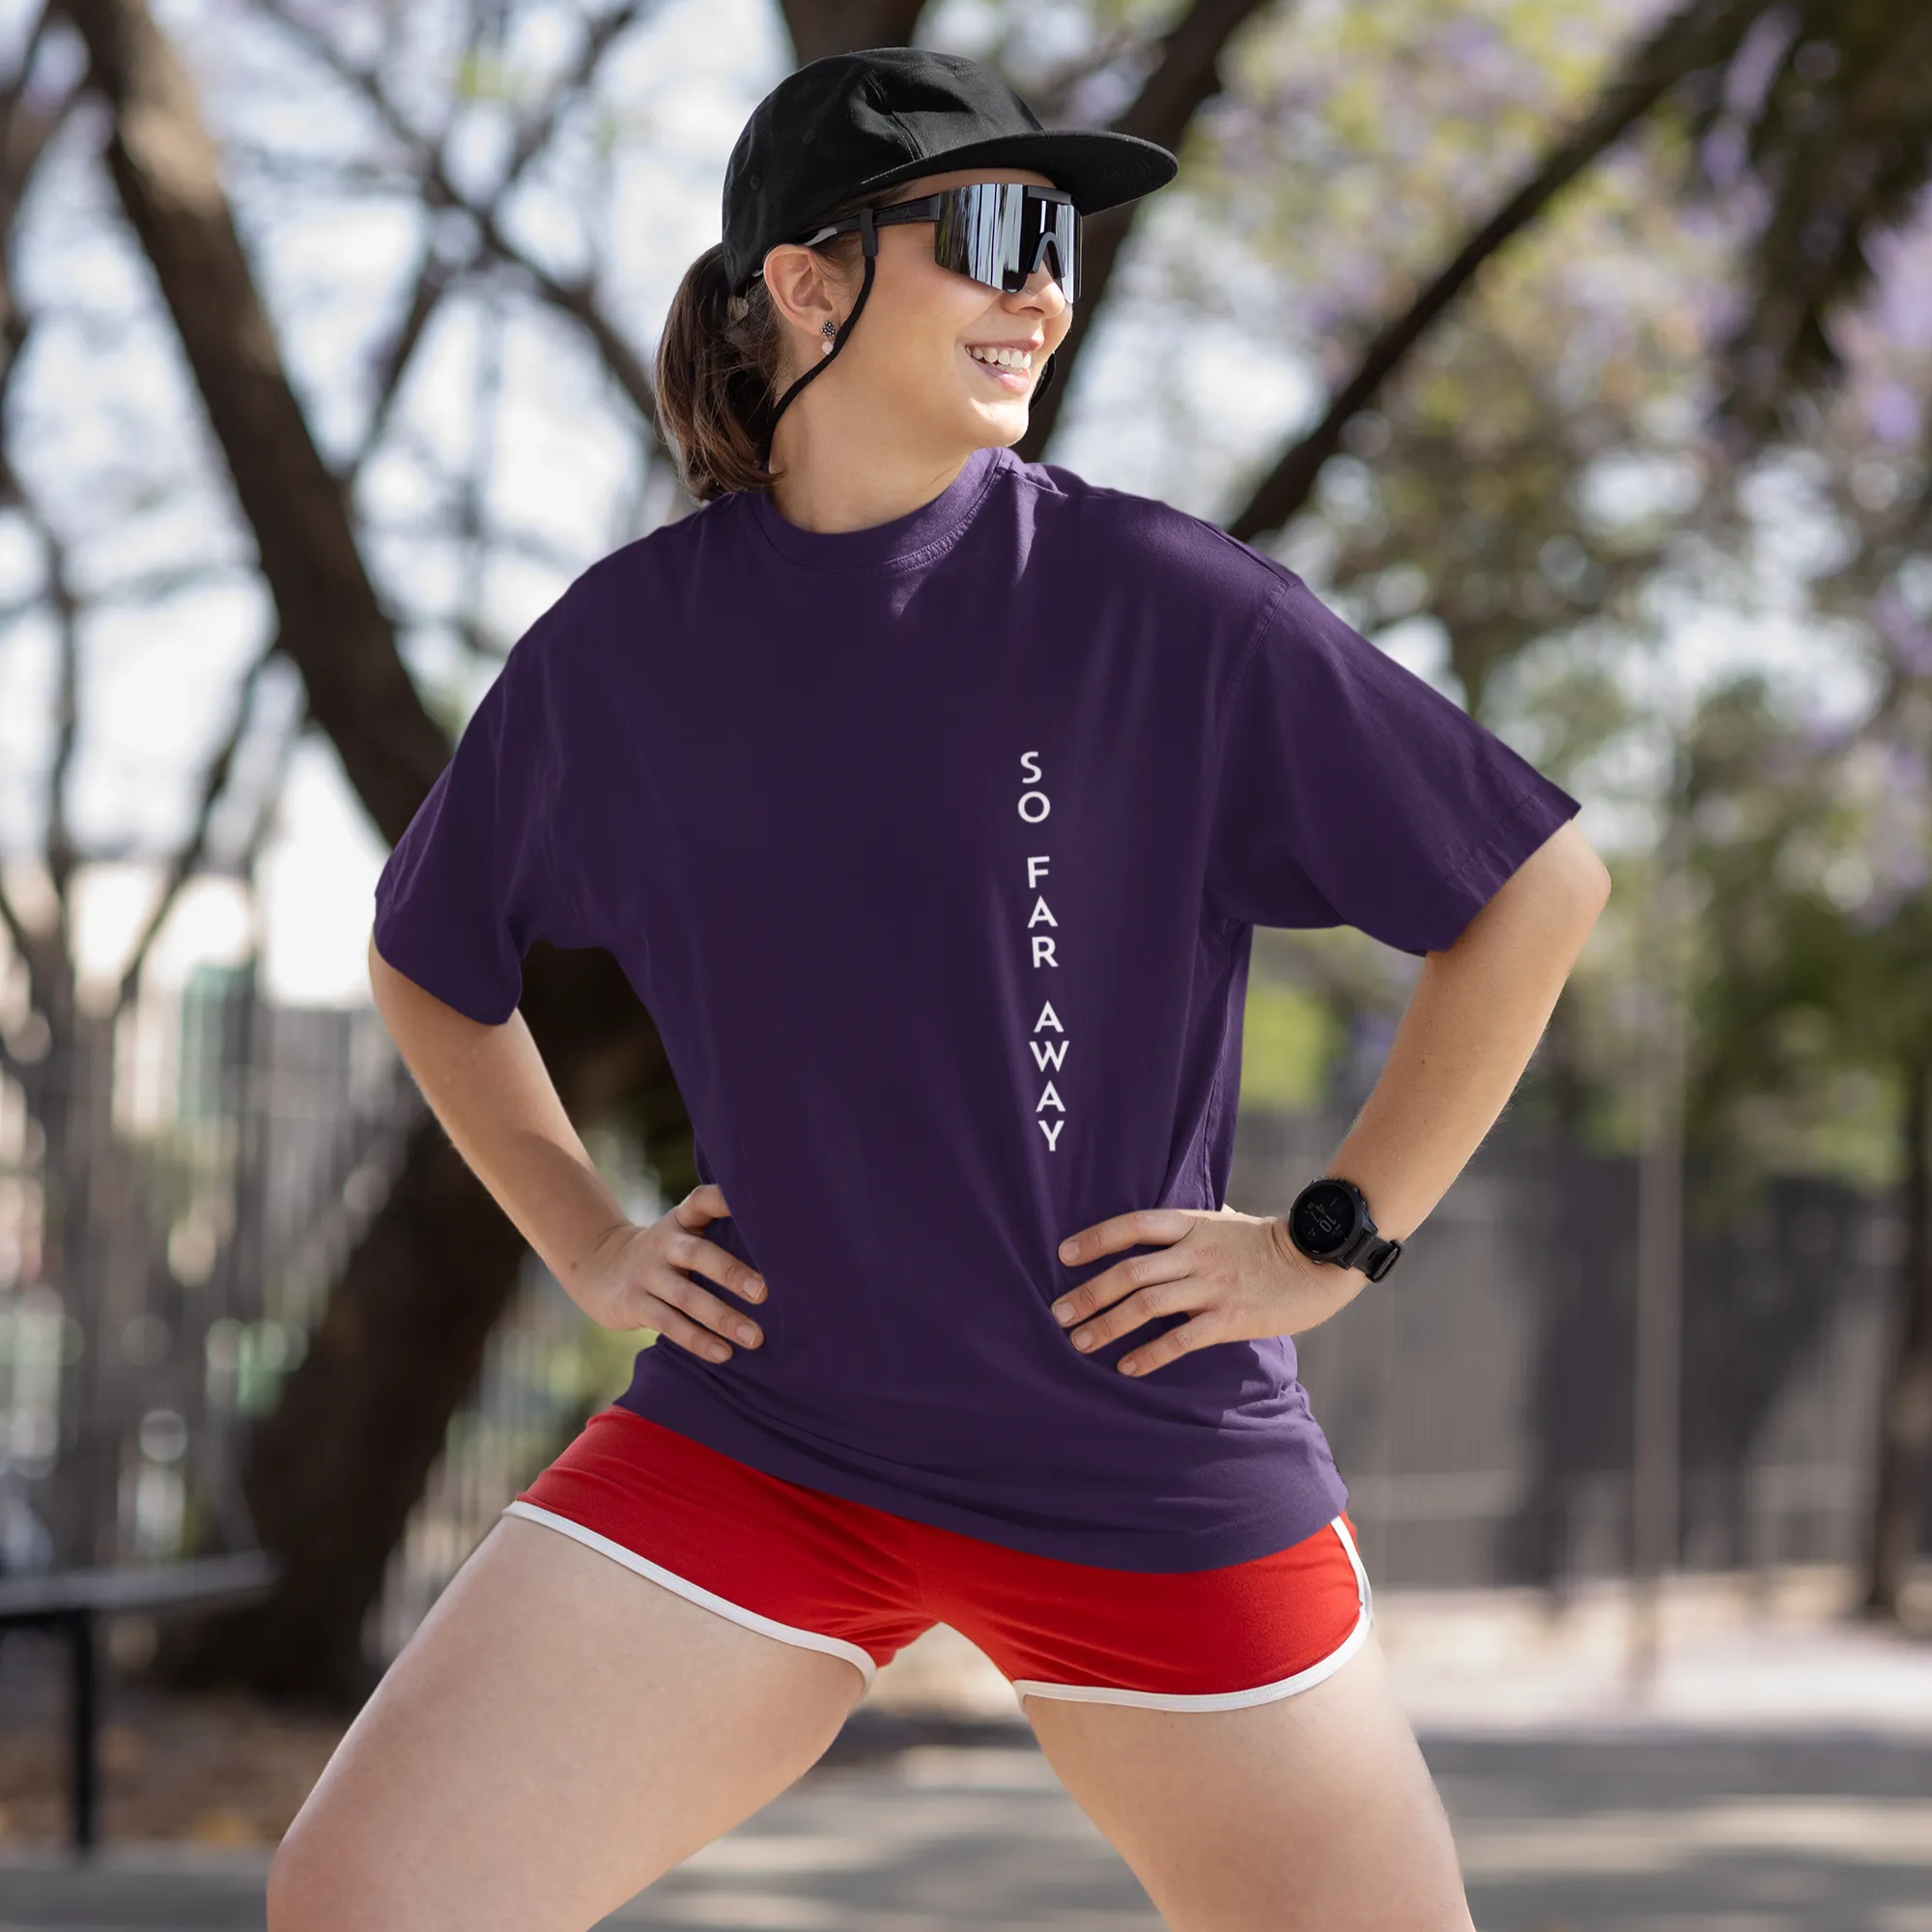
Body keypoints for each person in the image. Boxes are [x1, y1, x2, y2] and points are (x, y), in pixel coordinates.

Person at [268, 44, 1609, 1932]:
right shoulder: (629, 651)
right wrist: (585, 1239)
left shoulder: (1158, 601)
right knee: (368, 1898)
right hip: (772, 1437)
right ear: (803, 280)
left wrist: (1330, 1238)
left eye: (1058, 241)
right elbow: (428, 958)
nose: (1039, 287)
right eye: (988, 232)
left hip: (1133, 1455)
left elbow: (1536, 884)